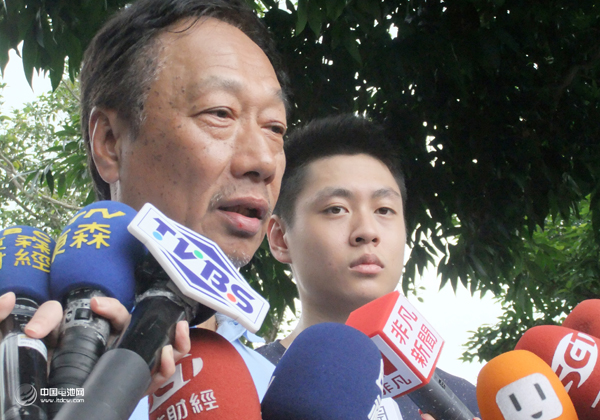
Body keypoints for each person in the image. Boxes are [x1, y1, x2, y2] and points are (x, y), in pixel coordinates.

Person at [0, 0, 287, 415]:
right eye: (220, 113)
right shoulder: (21, 362)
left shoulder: (279, 390)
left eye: (275, 127)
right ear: (110, 142)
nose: (262, 161)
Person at [258, 114, 481, 420]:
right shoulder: (238, 385)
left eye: (384, 210)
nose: (367, 231)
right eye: (336, 209)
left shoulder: (467, 403)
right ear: (280, 238)